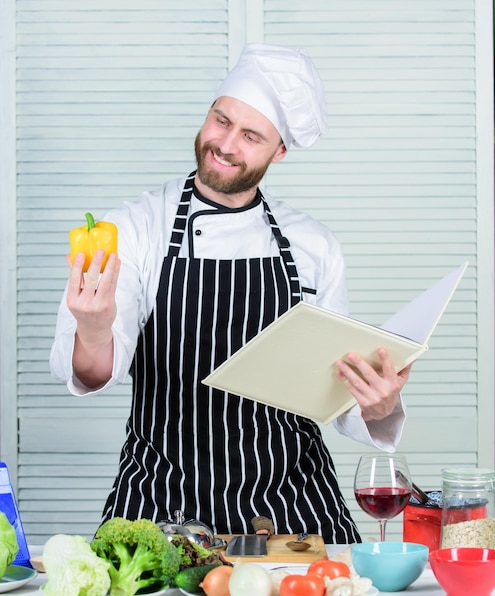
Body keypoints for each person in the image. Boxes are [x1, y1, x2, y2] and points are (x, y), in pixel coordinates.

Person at [50, 43, 412, 543]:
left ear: (279, 150)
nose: (225, 144)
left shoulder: (312, 245)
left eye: (250, 135)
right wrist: (92, 328)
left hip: (294, 508)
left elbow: (336, 393)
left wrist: (379, 406)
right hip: (161, 503)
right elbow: (92, 374)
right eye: (221, 120)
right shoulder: (135, 227)